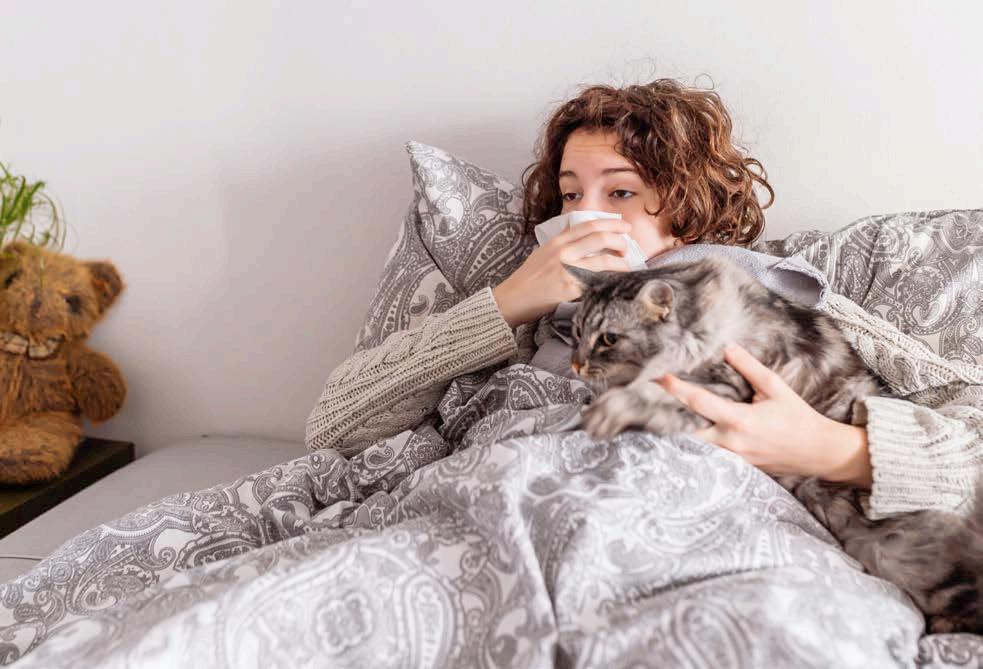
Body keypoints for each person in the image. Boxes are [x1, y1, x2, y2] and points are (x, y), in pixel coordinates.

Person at [306, 79, 983, 520]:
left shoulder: (759, 288)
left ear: (684, 212)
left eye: (621, 191)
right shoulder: (531, 324)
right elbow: (334, 429)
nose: (586, 214)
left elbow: (965, 440)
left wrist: (832, 449)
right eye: (570, 195)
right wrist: (505, 303)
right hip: (503, 497)